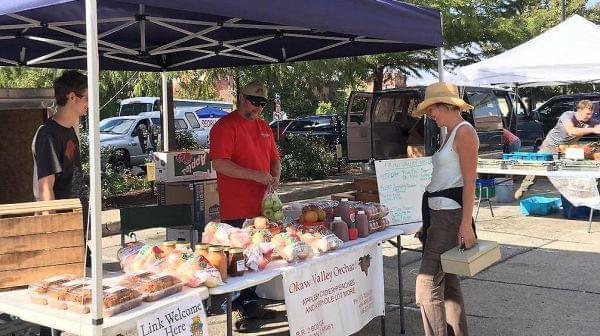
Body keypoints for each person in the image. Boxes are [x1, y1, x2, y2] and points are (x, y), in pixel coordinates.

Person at [209, 81, 281, 330]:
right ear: (241, 97)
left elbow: (275, 159)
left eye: (262, 104)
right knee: (238, 261)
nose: (258, 108)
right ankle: (240, 309)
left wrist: (275, 177)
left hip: (263, 207)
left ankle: (251, 304)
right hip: (237, 206)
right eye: (253, 102)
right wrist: (255, 176)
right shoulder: (225, 126)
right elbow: (219, 163)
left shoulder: (264, 127)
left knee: (259, 258)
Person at [413, 82, 478, 336]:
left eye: (432, 109)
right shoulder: (451, 132)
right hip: (439, 216)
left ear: (446, 105)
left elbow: (469, 182)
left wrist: (465, 224)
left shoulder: (463, 132)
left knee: (426, 286)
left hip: (449, 217)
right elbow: (443, 179)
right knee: (449, 284)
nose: (430, 115)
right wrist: (427, 222)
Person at [31, 70, 88, 336]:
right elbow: (46, 187)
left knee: (77, 299)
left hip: (77, 226)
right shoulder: (47, 134)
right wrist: (54, 232)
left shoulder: (70, 131)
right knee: (55, 302)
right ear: (72, 96)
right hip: (61, 230)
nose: (89, 103)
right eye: (86, 97)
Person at [515, 100, 600, 199]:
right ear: (579, 110)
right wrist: (592, 129)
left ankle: (574, 197)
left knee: (573, 168)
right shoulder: (568, 116)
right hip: (550, 146)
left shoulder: (590, 121)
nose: (589, 116)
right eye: (587, 114)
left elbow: (597, 125)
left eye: (591, 114)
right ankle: (524, 188)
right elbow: (571, 131)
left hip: (566, 149)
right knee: (537, 167)